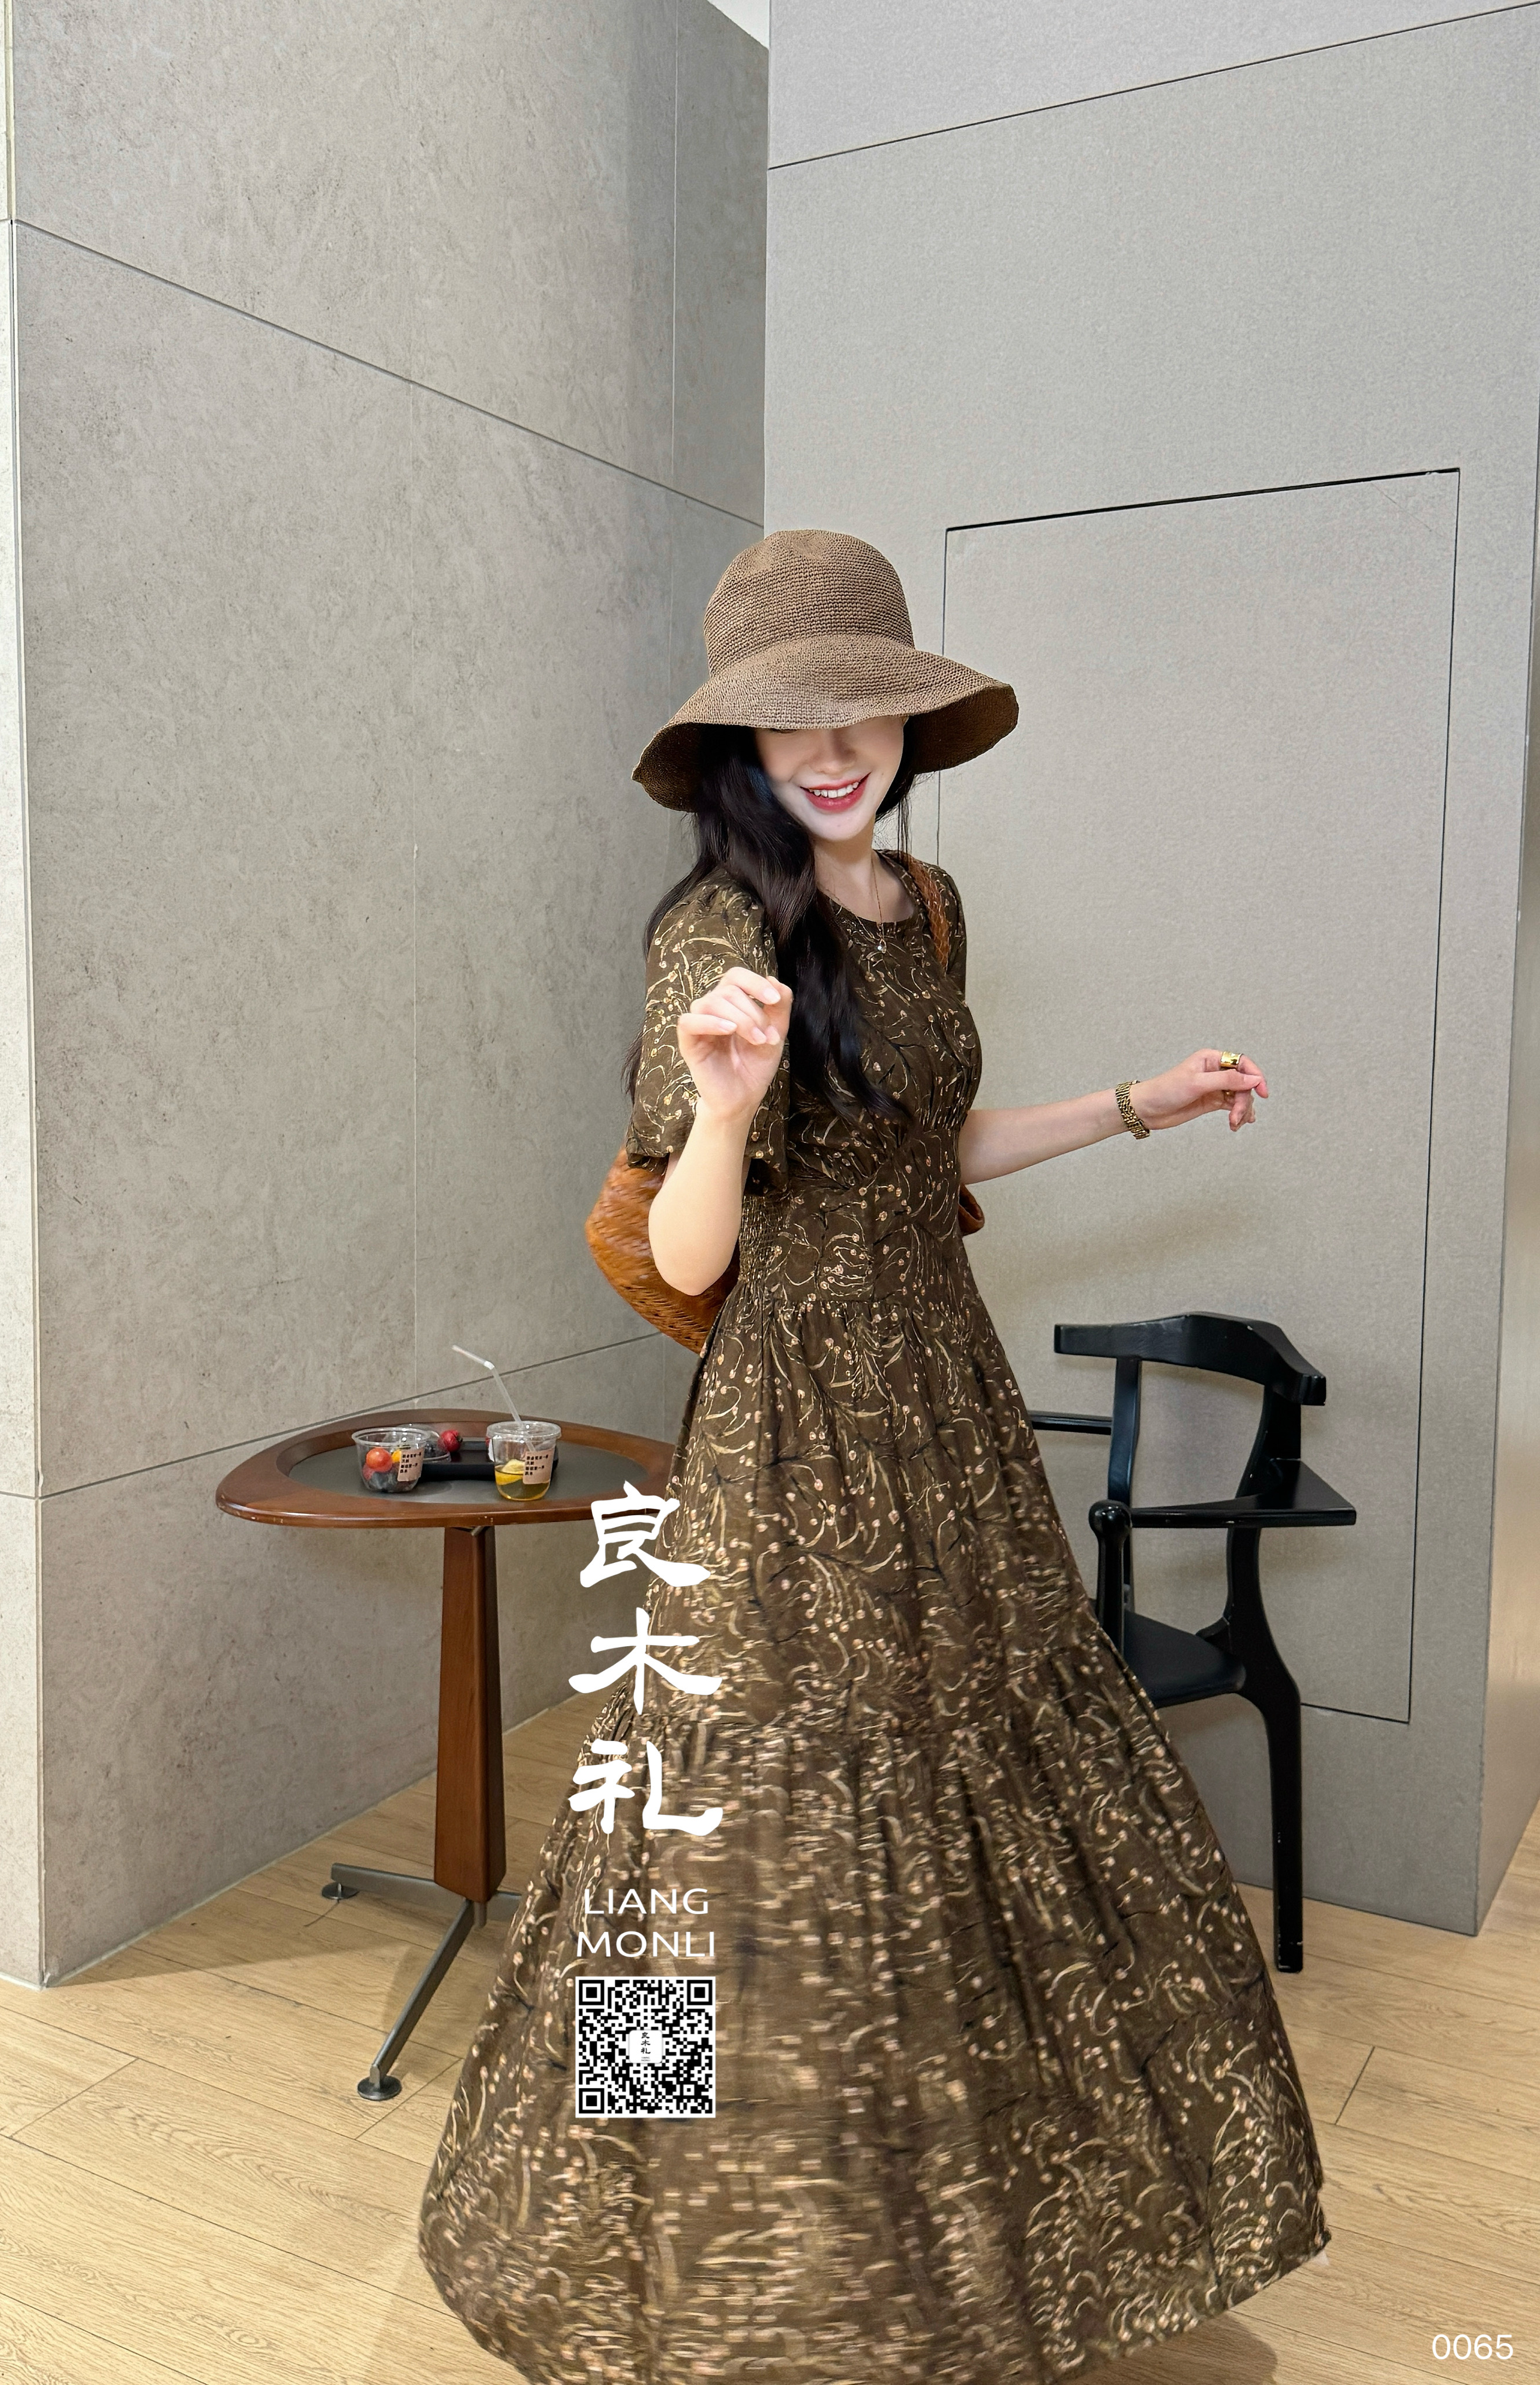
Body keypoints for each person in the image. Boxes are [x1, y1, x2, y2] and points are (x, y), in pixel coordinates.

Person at [416, 529, 1329, 2384]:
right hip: (791, 1431)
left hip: (945, 1415)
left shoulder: (934, 904)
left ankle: (954, 2259)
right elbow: (689, 1259)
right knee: (718, 1822)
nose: (834, 752)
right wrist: (723, 1107)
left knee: (989, 1790)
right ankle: (658, 2252)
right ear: (742, 748)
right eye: (792, 721)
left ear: (911, 722)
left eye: (866, 712)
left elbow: (930, 1148)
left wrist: (1139, 1103)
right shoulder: (715, 935)